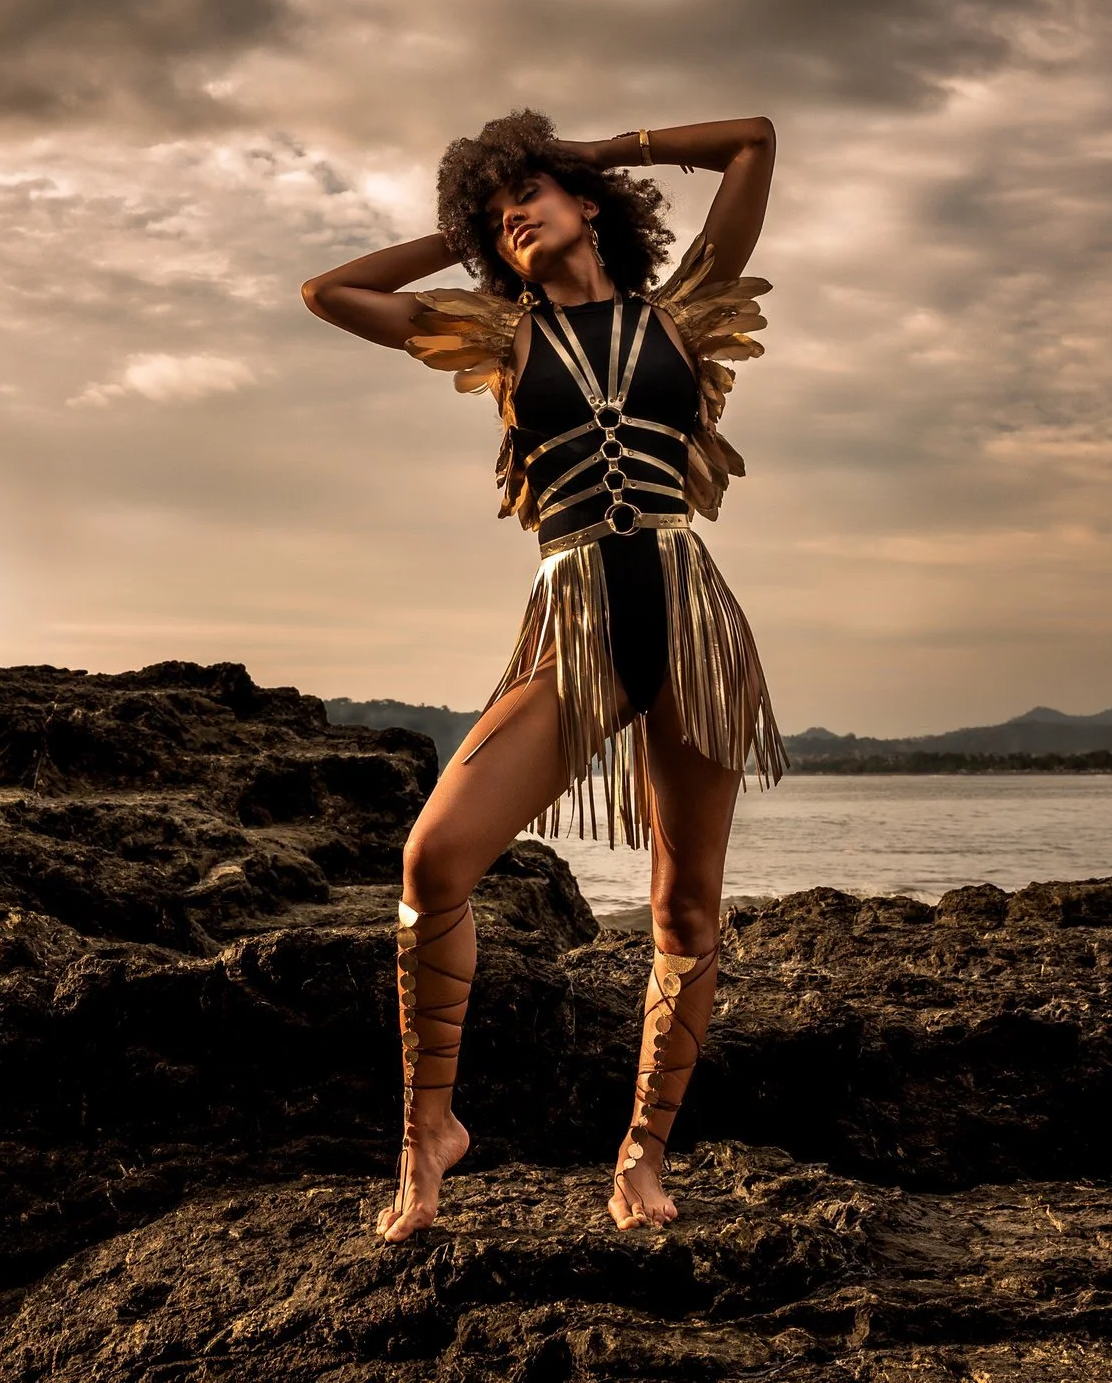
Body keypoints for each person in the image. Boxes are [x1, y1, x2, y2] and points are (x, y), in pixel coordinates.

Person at [300, 109, 786, 1240]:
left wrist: (593, 151)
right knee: (433, 854)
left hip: (691, 617)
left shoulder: (687, 311)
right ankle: (429, 1133)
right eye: (495, 208)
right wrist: (461, 238)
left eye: (531, 191)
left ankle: (640, 1156)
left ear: (588, 202)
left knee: (685, 902)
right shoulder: (502, 339)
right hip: (575, 617)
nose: (514, 212)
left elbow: (754, 140)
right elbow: (331, 292)